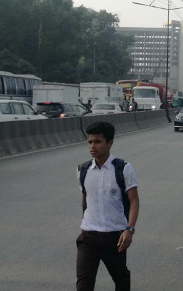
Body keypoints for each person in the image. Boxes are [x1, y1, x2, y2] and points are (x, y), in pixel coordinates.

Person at [76, 121, 139, 291]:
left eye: (97, 142)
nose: (92, 146)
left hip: (115, 238)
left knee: (121, 280)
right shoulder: (82, 170)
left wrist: (129, 229)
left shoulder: (123, 169)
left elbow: (134, 200)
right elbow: (85, 198)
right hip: (88, 237)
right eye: (90, 142)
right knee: (84, 284)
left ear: (109, 143)